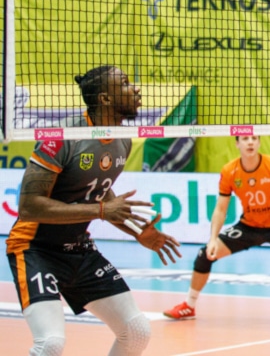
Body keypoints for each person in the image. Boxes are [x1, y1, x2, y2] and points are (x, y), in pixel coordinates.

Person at [6, 65, 181, 355]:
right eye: (125, 83)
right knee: (50, 343)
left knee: (136, 329)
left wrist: (137, 231)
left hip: (78, 251)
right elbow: (28, 206)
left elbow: (99, 194)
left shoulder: (122, 140)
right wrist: (101, 209)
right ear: (105, 99)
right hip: (34, 249)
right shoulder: (62, 137)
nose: (136, 89)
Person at [164, 135, 270, 320]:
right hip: (248, 227)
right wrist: (212, 240)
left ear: (259, 142)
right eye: (245, 138)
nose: (250, 142)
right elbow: (220, 208)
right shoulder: (230, 170)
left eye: (254, 138)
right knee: (205, 255)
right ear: (237, 143)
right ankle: (189, 305)